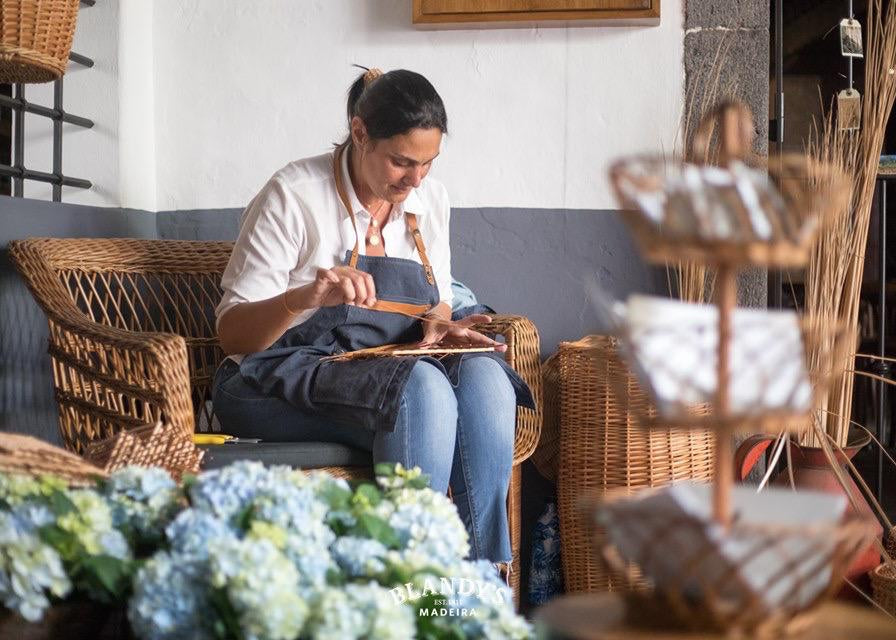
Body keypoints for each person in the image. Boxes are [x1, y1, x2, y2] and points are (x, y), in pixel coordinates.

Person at [212, 67, 534, 565]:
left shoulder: (430, 198)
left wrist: (441, 322)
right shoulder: (293, 194)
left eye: (428, 163)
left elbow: (439, 296)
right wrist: (306, 297)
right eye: (402, 162)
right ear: (360, 134)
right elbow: (232, 336)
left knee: (486, 381)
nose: (416, 180)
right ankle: (410, 582)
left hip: (382, 365)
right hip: (275, 376)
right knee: (422, 392)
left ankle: (476, 580)